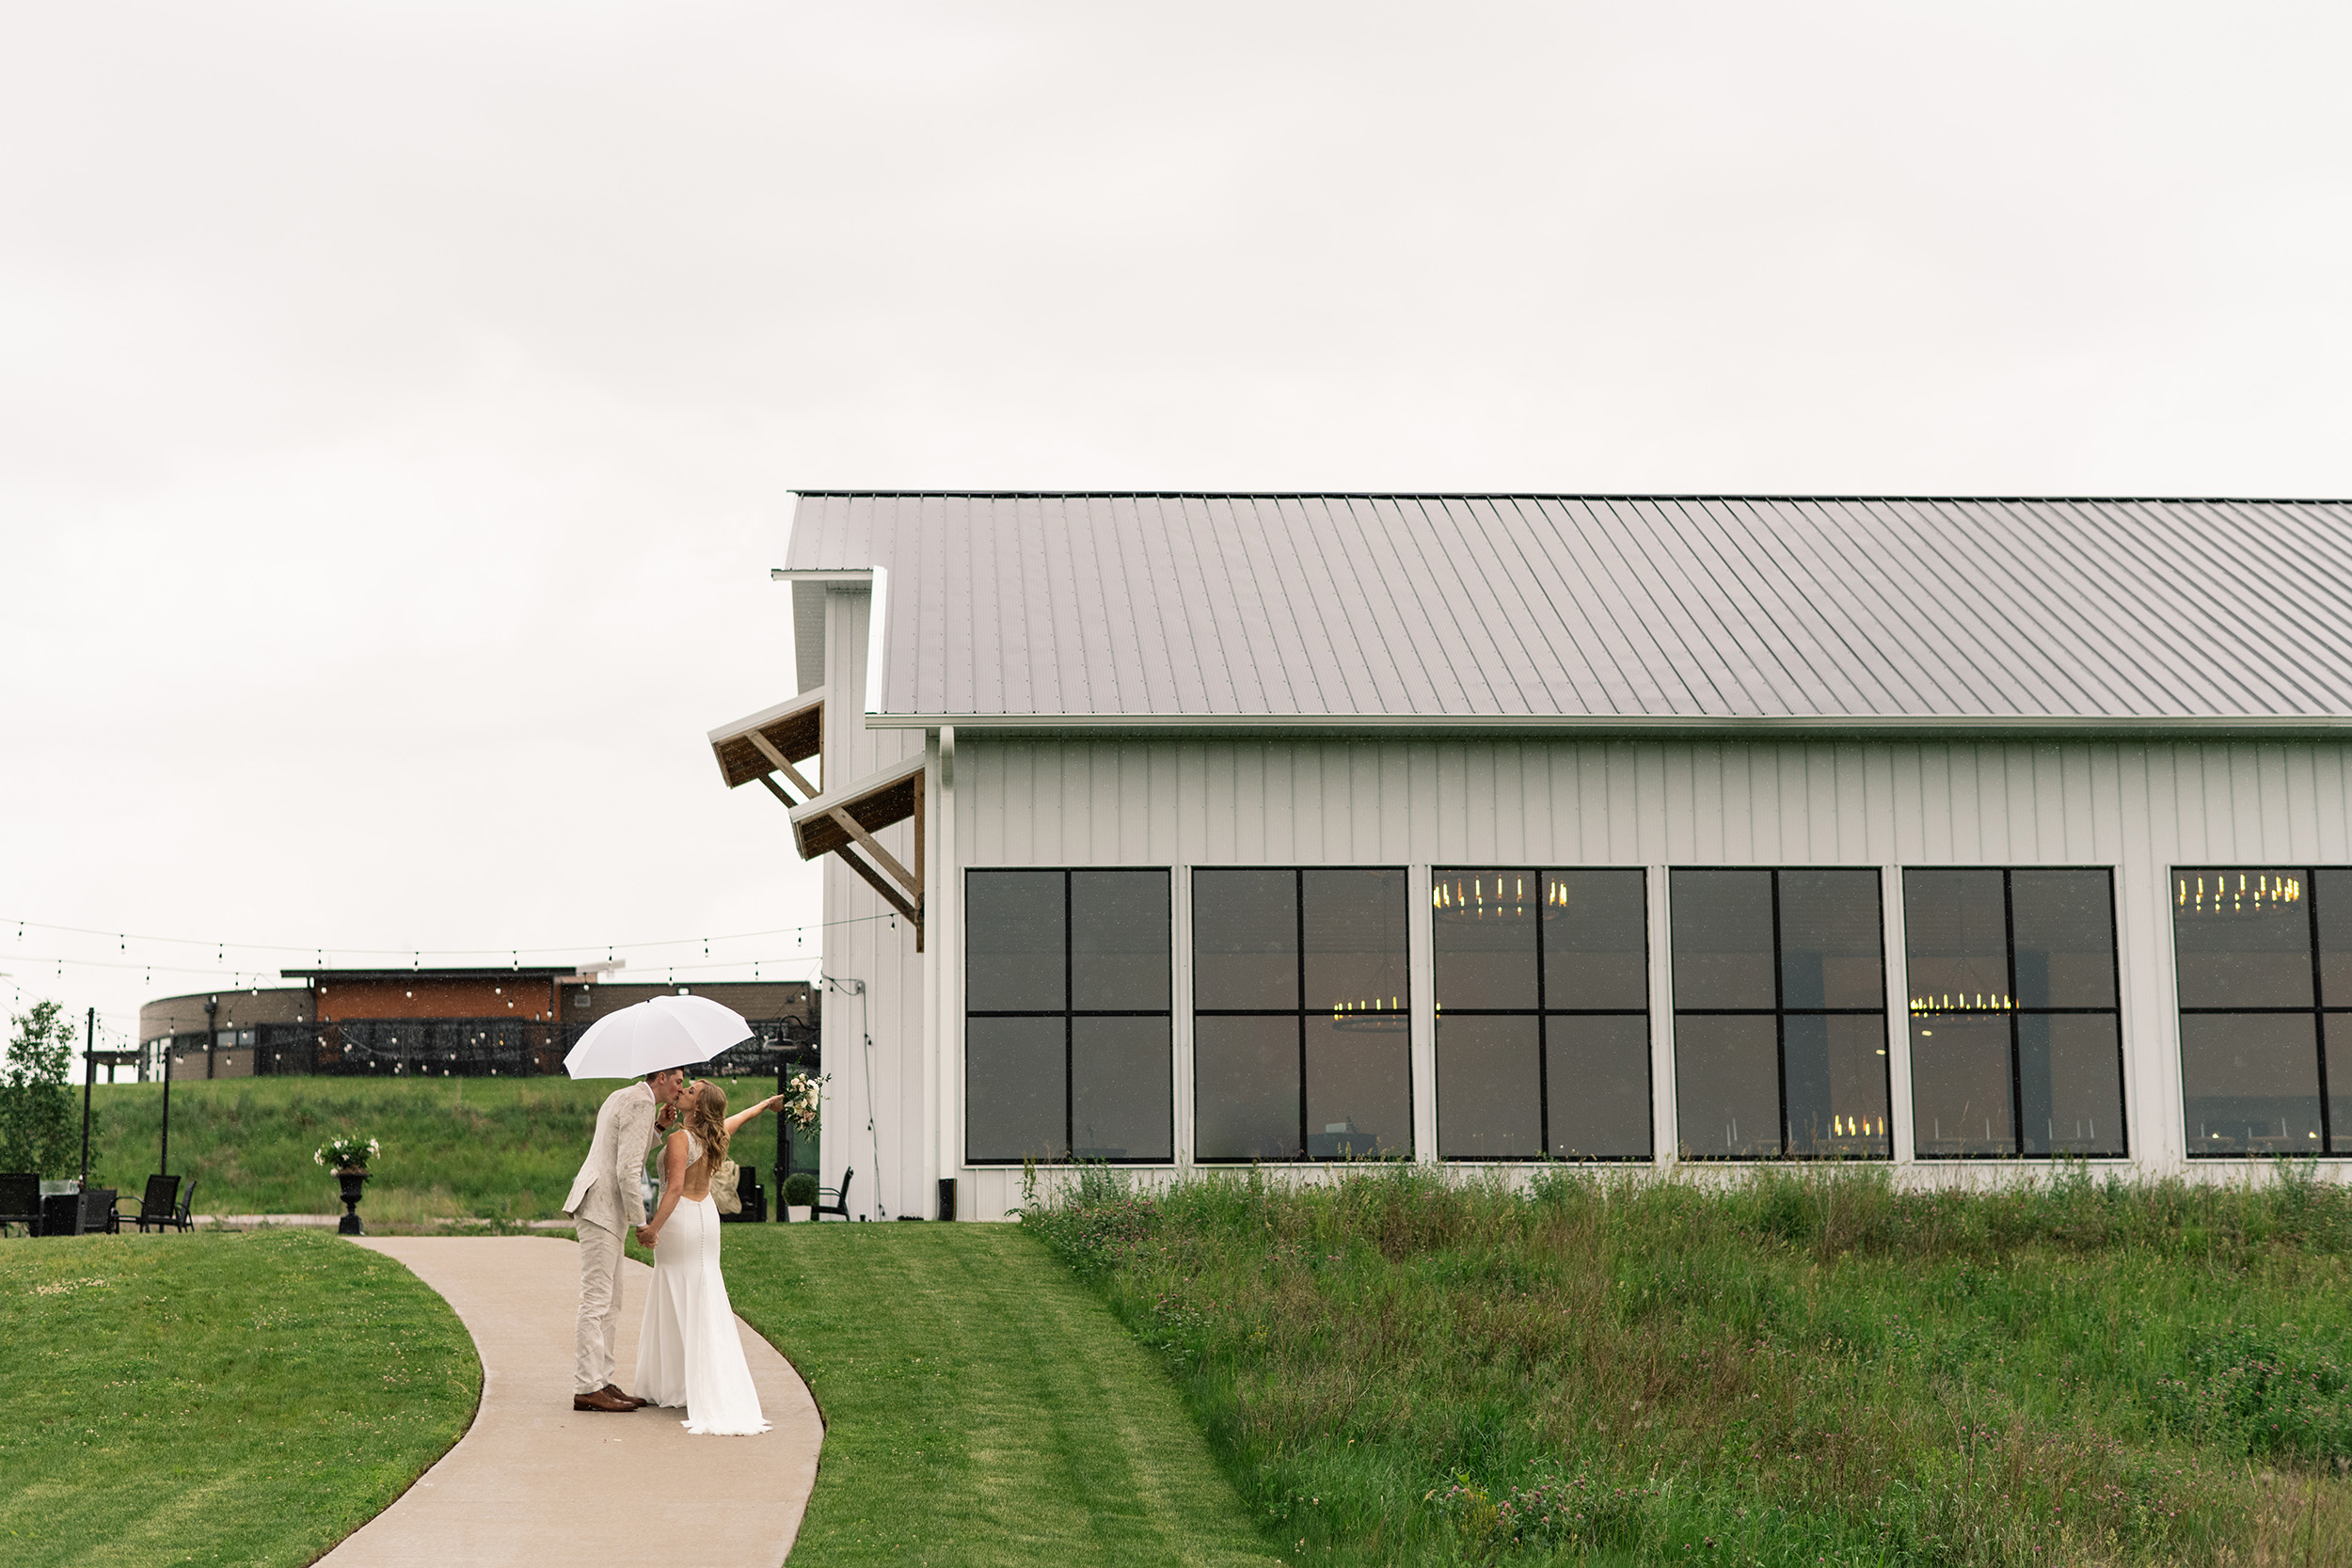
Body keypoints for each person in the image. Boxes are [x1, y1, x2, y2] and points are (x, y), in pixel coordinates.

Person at [634, 1079, 787, 1434]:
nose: (683, 1090)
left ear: (698, 1107)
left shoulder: (679, 1139)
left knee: (676, 1290)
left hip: (682, 1218)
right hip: (706, 1217)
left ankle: (679, 1384)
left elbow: (673, 1189)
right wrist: (766, 1103)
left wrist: (653, 1228)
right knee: (703, 1292)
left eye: (690, 1091)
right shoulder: (716, 1134)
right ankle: (691, 1383)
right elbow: (740, 1118)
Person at [562, 1065, 686, 1413]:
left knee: (612, 1301)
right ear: (660, 1078)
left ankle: (603, 1380)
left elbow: (626, 1150)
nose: (680, 1088)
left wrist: (659, 1126)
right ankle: (587, 1386)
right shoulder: (638, 1104)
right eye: (677, 1081)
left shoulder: (626, 1096)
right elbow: (627, 1170)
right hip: (601, 1208)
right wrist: (643, 1223)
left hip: (604, 1209)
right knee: (597, 1300)